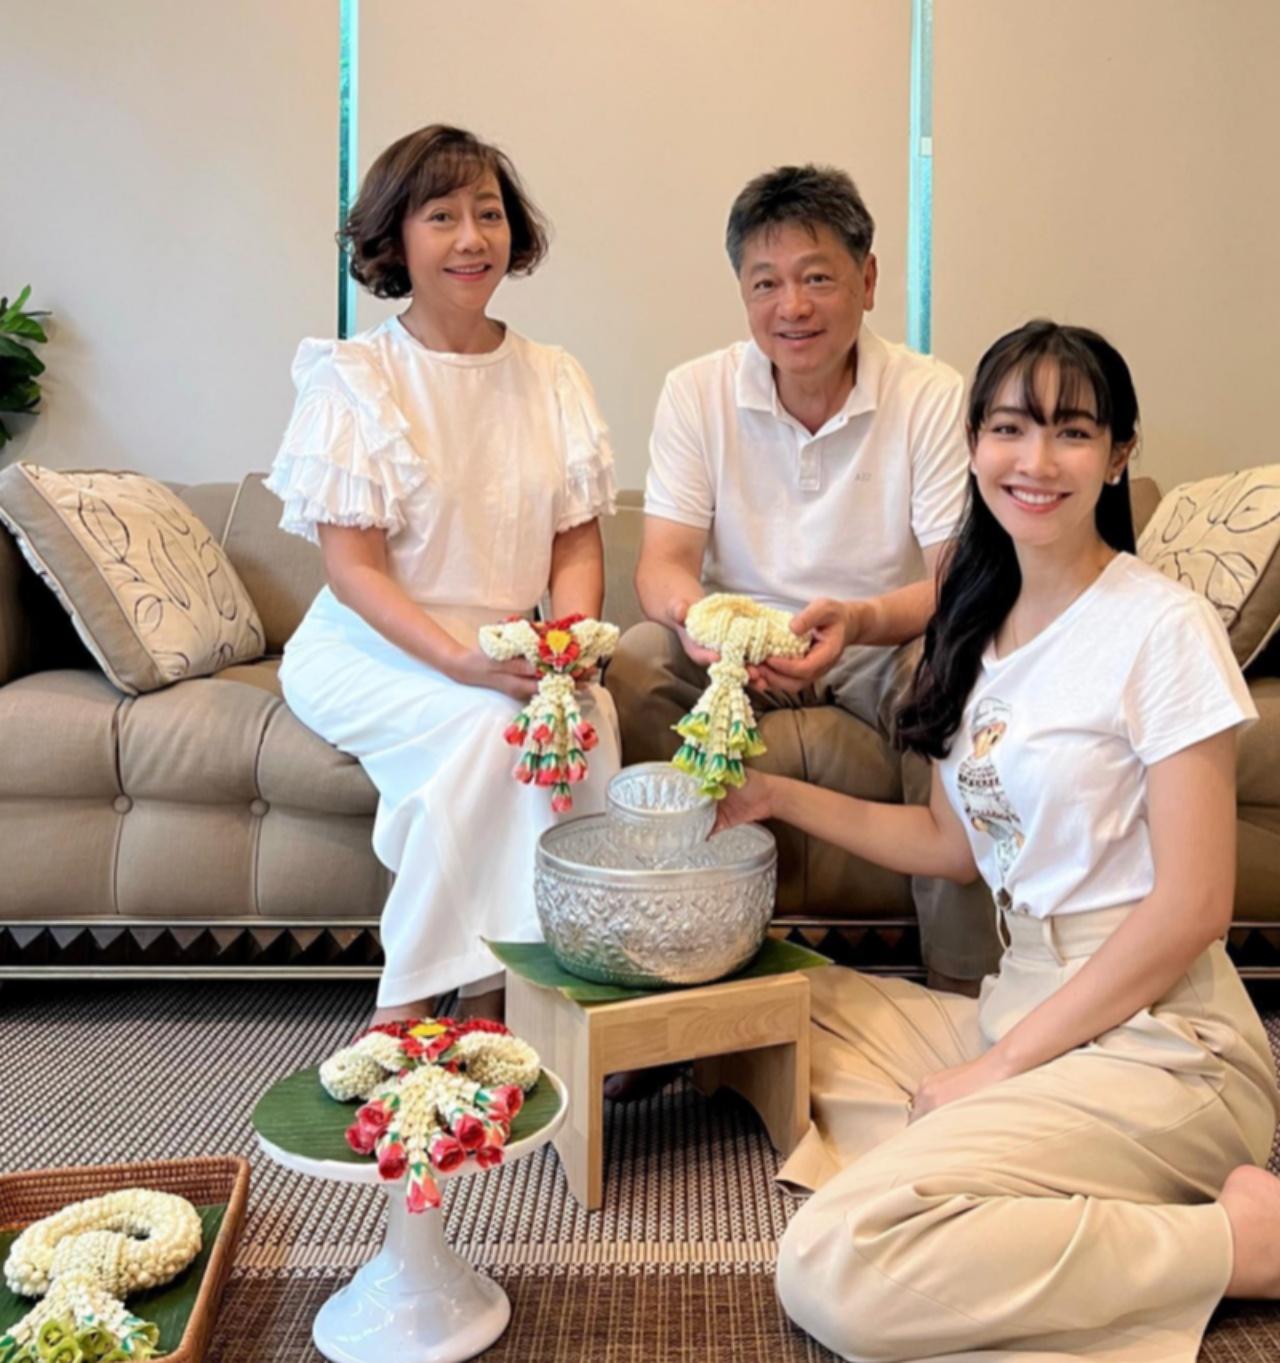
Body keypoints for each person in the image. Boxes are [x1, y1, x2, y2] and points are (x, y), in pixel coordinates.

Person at [714, 320, 1280, 1362]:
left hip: (1160, 1037)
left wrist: (1000, 1067)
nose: (1035, 459)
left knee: (838, 1260)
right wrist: (773, 796)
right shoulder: (975, 628)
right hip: (1024, 995)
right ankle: (1015, 1159)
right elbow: (949, 842)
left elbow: (1194, 906)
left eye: (1072, 431)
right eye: (1009, 428)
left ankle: (1236, 1243)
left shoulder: (1160, 626)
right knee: (786, 1005)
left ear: (1117, 455)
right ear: (973, 444)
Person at [606, 163, 1000, 994]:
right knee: (637, 664)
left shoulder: (929, 394)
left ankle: (966, 984)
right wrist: (702, 622)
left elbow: (953, 582)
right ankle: (660, 964)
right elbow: (663, 563)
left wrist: (857, 621)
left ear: (868, 279)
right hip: (734, 651)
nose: (792, 306)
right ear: (743, 293)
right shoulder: (697, 391)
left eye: (817, 277)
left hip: (878, 640)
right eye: (767, 283)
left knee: (958, 669)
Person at [266, 125, 620, 1025]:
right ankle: (423, 1003)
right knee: (490, 733)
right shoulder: (356, 378)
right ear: (396, 237)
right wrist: (464, 662)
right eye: (442, 217)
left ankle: (510, 991)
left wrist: (568, 644)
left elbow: (576, 545)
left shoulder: (553, 376)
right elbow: (354, 572)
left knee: (585, 722)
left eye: (489, 214)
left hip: (508, 648)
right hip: (369, 646)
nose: (472, 238)